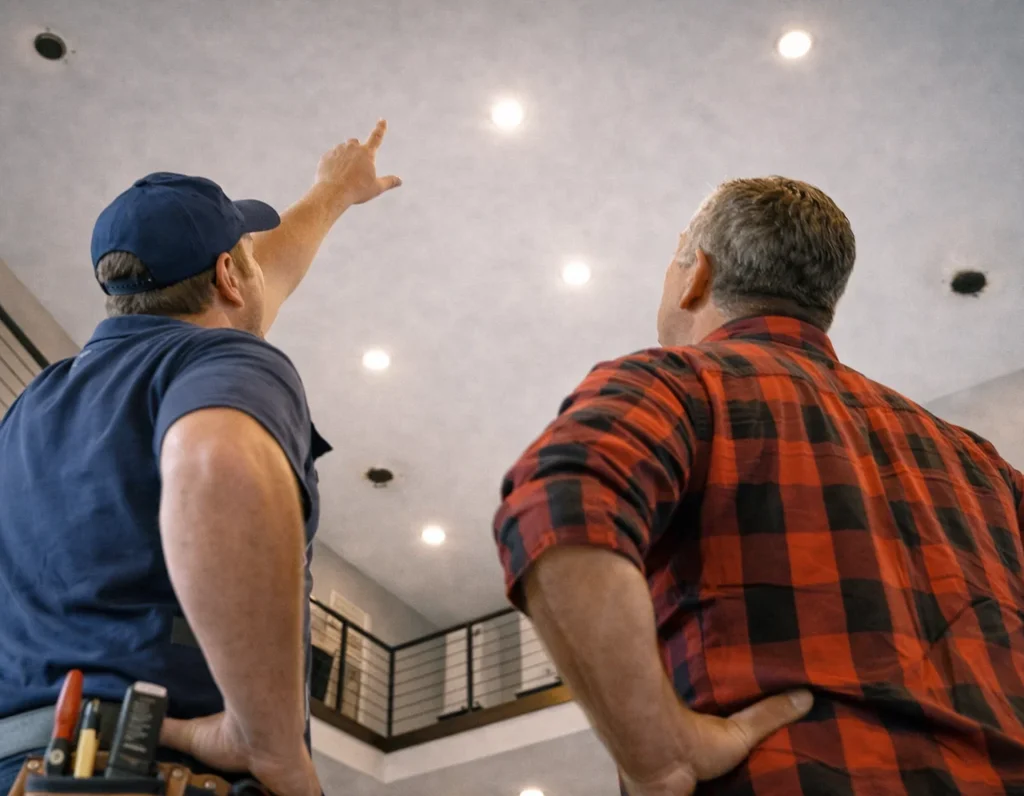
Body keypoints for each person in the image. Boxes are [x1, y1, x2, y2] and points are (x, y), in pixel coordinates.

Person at [493, 176, 1024, 795]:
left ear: (697, 275)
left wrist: (659, 758)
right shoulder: (981, 462)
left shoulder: (678, 382)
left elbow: (558, 505)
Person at [0, 121, 401, 796]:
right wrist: (265, 740)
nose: (256, 264)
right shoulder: (220, 358)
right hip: (153, 771)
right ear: (224, 274)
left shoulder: (30, 406)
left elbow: (264, 275)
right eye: (243, 252)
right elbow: (222, 466)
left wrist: (334, 191)